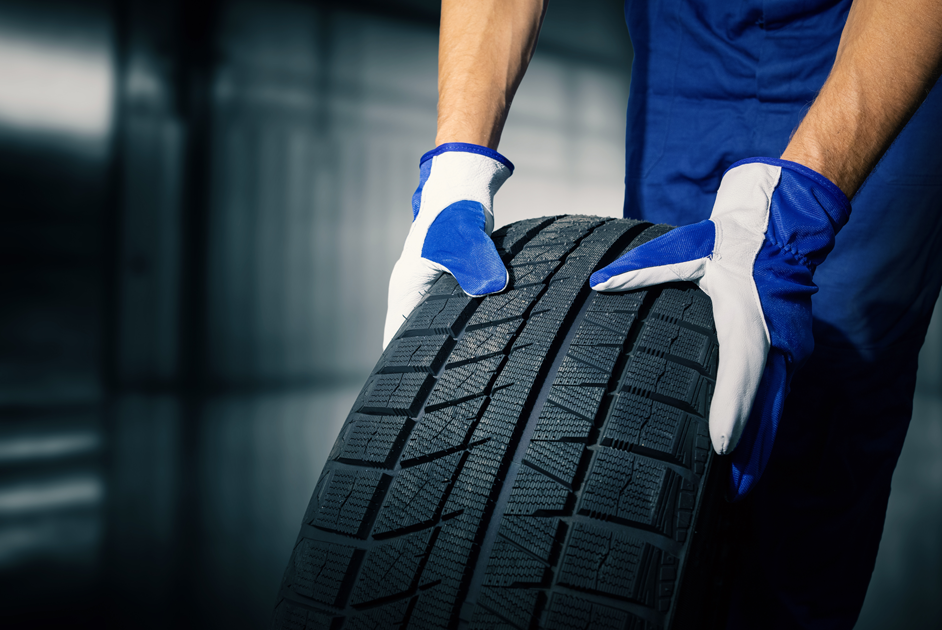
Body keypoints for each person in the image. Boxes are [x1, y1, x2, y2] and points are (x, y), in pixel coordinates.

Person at [383, 0, 942, 627]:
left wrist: (798, 211)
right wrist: (455, 168)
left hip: (874, 35)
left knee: (820, 404)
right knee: (663, 374)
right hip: (691, 41)